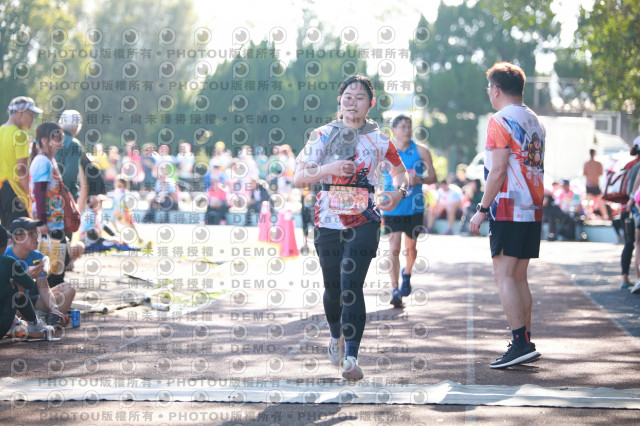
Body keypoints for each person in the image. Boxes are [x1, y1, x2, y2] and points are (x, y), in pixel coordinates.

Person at [294, 75, 409, 380]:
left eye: (360, 98)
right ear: (339, 101)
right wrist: (329, 169)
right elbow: (299, 178)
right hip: (328, 220)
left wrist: (398, 192)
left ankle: (352, 358)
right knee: (333, 288)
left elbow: (400, 172)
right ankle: (336, 335)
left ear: (371, 104)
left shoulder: (379, 139)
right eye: (348, 97)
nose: (352, 103)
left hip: (365, 218)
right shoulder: (321, 135)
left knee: (351, 285)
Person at [470, 62, 545, 369]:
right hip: (532, 206)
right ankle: (525, 339)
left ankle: (520, 342)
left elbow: (498, 169)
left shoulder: (499, 120)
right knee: (518, 276)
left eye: (489, 88)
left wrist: (481, 209)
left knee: (504, 276)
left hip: (508, 207)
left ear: (496, 90)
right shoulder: (534, 120)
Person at [381, 114, 437, 307]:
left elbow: (434, 177)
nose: (406, 130)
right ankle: (395, 289)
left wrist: (419, 179)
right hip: (392, 206)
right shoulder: (385, 151)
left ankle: (407, 274)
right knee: (394, 248)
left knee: (411, 248)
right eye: (402, 127)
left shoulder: (421, 151)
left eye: (409, 126)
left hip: (414, 207)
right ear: (393, 130)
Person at [29, 122, 84, 284]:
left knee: (58, 265)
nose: (61, 139)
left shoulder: (48, 160)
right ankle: (53, 297)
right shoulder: (43, 162)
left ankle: (53, 295)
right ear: (44, 141)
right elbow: (39, 193)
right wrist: (42, 222)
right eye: (57, 136)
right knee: (55, 269)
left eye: (61, 135)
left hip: (54, 221)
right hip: (49, 223)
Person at [5, 217, 75, 325]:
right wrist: (25, 276)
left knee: (69, 289)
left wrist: (55, 308)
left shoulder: (37, 257)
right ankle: (39, 320)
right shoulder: (5, 256)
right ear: (17, 238)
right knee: (16, 303)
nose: (36, 237)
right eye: (31, 234)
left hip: (32, 300)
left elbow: (44, 289)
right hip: (13, 304)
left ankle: (45, 319)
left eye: (36, 232)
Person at [0, 224, 54, 339]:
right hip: (2, 325)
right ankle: (34, 324)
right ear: (4, 243)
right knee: (17, 287)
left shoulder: (35, 255)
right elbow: (29, 284)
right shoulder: (8, 261)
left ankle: (15, 322)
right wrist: (27, 274)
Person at [0, 96, 42, 226]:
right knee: (21, 230)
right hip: (16, 190)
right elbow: (22, 168)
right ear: (20, 113)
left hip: (2, 189)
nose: (33, 119)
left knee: (6, 229)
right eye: (31, 115)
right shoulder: (21, 135)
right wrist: (29, 194)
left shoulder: (1, 130)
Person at [583, 148, 607, 219]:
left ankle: (604, 215)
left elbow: (584, 173)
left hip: (590, 184)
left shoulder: (587, 164)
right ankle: (604, 215)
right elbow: (600, 173)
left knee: (590, 201)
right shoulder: (597, 164)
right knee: (598, 201)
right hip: (594, 184)